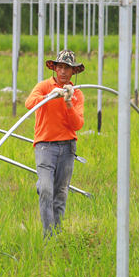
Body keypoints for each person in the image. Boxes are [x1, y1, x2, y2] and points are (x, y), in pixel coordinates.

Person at [24, 49, 85, 236]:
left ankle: (57, 234)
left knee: (60, 193)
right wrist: (50, 96)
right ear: (55, 69)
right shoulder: (44, 86)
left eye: (68, 68)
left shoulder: (77, 94)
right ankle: (48, 236)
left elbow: (77, 124)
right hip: (45, 146)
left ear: (73, 71)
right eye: (60, 67)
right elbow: (30, 102)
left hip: (67, 147)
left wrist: (67, 103)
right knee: (45, 190)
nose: (64, 71)